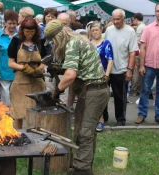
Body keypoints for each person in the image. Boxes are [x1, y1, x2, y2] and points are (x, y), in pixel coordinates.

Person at [44, 19, 110, 175]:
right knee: (84, 131)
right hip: (92, 91)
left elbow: (71, 75)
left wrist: (56, 92)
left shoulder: (73, 44)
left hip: (94, 91)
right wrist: (59, 69)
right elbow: (78, 67)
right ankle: (83, 166)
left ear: (58, 36)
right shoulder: (77, 40)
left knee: (85, 133)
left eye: (53, 40)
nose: (53, 43)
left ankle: (81, 170)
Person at [8, 18, 46, 129]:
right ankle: (18, 135)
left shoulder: (40, 42)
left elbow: (44, 61)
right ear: (22, 31)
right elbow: (10, 63)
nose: (29, 34)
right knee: (18, 113)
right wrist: (24, 68)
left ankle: (36, 136)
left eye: (32, 32)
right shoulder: (16, 41)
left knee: (37, 113)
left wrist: (39, 69)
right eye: (27, 31)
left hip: (37, 80)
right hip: (20, 81)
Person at [105, 9, 138, 126]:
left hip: (121, 69)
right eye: (113, 19)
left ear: (124, 19)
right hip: (107, 70)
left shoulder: (130, 31)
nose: (115, 21)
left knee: (120, 97)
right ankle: (104, 118)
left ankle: (120, 119)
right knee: (104, 95)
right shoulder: (108, 30)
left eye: (118, 19)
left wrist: (130, 69)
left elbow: (132, 52)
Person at [89, 21, 114, 132]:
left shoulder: (106, 43)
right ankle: (92, 119)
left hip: (101, 75)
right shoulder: (88, 43)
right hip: (89, 75)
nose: (95, 32)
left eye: (97, 30)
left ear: (101, 30)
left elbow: (110, 60)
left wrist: (106, 75)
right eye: (93, 30)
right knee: (90, 98)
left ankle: (101, 120)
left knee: (100, 99)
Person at [0, 10, 18, 107]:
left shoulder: (20, 34)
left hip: (18, 70)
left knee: (17, 95)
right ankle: (7, 116)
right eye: (10, 23)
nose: (12, 26)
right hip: (3, 70)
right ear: (5, 22)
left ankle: (16, 116)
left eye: (14, 23)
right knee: (6, 96)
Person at [131, 13, 146, 96]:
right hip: (143, 52)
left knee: (136, 72)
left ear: (136, 19)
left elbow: (137, 41)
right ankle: (139, 89)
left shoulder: (140, 28)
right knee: (141, 72)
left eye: (133, 20)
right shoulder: (145, 26)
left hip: (138, 51)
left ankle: (133, 90)